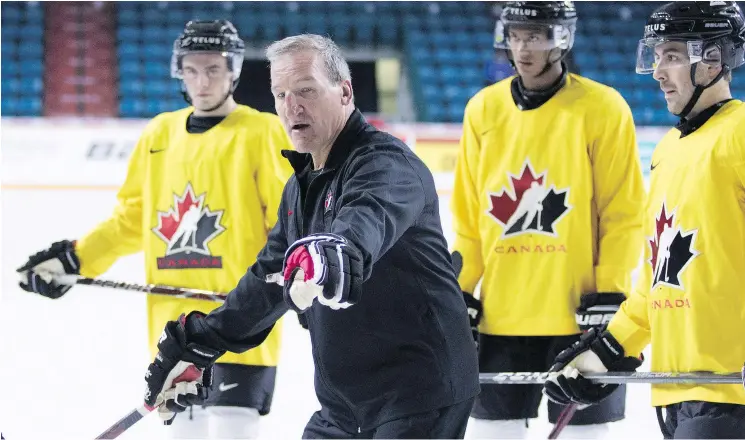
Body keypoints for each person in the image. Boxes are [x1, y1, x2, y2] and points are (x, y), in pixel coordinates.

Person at [139, 33, 481, 439]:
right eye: (280, 94)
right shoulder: (300, 186)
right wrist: (200, 342)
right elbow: (268, 279)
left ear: (344, 91)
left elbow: (366, 220)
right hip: (343, 404)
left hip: (418, 395)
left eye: (305, 90)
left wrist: (331, 252)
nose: (291, 107)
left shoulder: (387, 165)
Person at [16, 20, 293, 439]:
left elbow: (286, 223)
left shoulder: (262, 132)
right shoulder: (158, 134)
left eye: (213, 69)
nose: (202, 80)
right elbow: (132, 221)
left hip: (241, 324)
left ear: (233, 70)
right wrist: (74, 258)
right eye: (192, 68)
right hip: (174, 332)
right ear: (178, 70)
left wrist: (295, 278)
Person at [544, 2, 745, 438]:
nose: (657, 71)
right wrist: (608, 351)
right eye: (655, 56)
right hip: (677, 391)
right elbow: (659, 278)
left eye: (671, 55)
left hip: (730, 392)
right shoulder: (669, 149)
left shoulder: (741, 134)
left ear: (712, 60)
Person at [452, 2, 646, 438]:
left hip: (582, 320)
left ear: (562, 38)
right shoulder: (482, 110)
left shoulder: (602, 108)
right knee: (490, 431)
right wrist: (461, 288)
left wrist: (610, 290)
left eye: (536, 36)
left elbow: (624, 212)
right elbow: (468, 220)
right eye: (516, 35)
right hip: (501, 320)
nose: (523, 47)